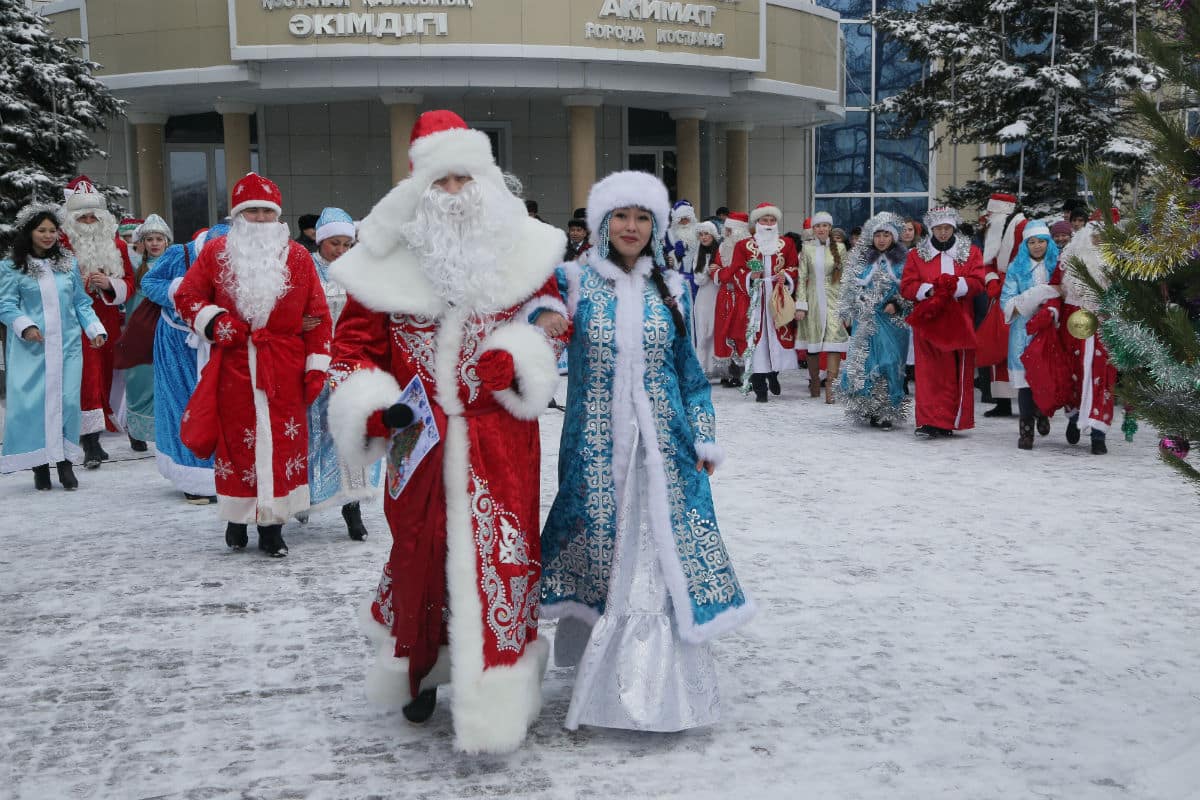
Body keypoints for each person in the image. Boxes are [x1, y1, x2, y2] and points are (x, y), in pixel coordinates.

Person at [326, 110, 569, 753]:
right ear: (418, 186)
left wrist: (516, 355)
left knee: (500, 554)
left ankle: (499, 687)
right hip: (418, 438)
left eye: (464, 179)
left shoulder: (523, 245)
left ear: (484, 181)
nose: (453, 194)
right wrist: (375, 407)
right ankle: (420, 668)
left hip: (499, 438)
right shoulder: (381, 261)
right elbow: (351, 348)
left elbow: (550, 316)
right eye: (441, 182)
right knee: (421, 553)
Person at [541, 170, 753, 733]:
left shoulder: (675, 287)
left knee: (656, 567)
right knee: (602, 554)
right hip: (594, 451)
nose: (631, 227)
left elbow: (690, 375)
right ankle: (599, 665)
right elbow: (535, 340)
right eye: (620, 216)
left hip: (666, 452)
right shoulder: (571, 281)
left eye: (641, 218)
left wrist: (704, 435)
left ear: (656, 226)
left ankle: (653, 693)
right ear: (601, 222)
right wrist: (540, 328)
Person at [174, 173, 333, 557]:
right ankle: (236, 515)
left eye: (266, 211)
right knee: (238, 444)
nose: (260, 219)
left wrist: (316, 366)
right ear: (238, 216)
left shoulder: (297, 257)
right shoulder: (215, 252)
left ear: (277, 216)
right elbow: (188, 295)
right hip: (234, 365)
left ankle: (273, 525)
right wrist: (216, 322)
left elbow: (319, 313)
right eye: (252, 211)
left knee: (283, 442)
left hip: (284, 365)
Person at [0, 204, 106, 490]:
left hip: (68, 346)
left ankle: (65, 462)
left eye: (52, 230)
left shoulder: (68, 264)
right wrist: (26, 325)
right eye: (41, 230)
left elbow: (81, 302)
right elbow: (6, 304)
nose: (48, 236)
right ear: (29, 232)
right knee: (35, 405)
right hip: (32, 349)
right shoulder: (11, 267)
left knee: (69, 402)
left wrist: (94, 328)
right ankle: (39, 465)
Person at [303, 206, 382, 539]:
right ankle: (303, 497)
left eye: (346, 244)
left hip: (351, 364)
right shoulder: (305, 269)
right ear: (321, 242)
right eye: (334, 243)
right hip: (314, 364)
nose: (340, 250)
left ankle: (353, 508)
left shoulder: (362, 273)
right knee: (312, 436)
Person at [140, 226, 227, 503]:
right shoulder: (180, 254)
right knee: (183, 405)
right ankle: (194, 478)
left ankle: (222, 472)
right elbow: (149, 283)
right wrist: (178, 289)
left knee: (219, 408)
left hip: (217, 340)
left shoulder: (245, 260)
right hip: (177, 342)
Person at [59, 179, 135, 468]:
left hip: (107, 320)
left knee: (102, 376)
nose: (89, 222)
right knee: (87, 377)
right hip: (73, 321)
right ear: (72, 218)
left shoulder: (115, 245)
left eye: (93, 216)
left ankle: (93, 434)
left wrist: (109, 283)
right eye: (82, 217)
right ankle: (90, 441)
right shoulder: (62, 243)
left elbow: (130, 283)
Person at [900, 207, 985, 438]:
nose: (944, 233)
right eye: (939, 228)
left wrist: (956, 286)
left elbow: (978, 282)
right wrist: (928, 291)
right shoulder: (917, 255)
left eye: (947, 228)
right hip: (929, 321)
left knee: (956, 372)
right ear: (931, 229)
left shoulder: (971, 252)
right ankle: (929, 420)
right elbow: (907, 286)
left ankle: (949, 420)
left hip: (960, 322)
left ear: (954, 228)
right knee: (929, 373)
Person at [836, 212, 912, 428]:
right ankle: (869, 407)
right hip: (866, 320)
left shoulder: (904, 261)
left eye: (886, 235)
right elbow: (849, 287)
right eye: (878, 234)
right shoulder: (861, 260)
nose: (881, 239)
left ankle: (887, 409)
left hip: (892, 321)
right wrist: (853, 306)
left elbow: (910, 288)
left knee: (890, 362)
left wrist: (897, 304)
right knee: (866, 363)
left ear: (894, 237)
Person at [1000, 222, 1062, 449]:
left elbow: (1065, 292)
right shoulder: (1016, 269)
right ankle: (1026, 431)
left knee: (1046, 377)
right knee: (1025, 381)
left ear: (1049, 242)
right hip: (1023, 332)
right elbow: (1006, 302)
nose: (1037, 246)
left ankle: (1042, 411)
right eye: (1032, 242)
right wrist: (1034, 297)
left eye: (1041, 241)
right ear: (1026, 244)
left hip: (1050, 330)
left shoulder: (1057, 265)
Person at [1057, 220, 1117, 454]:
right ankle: (1073, 418)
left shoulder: (1114, 262)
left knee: (1102, 375)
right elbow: (1058, 288)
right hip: (1075, 320)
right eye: (1095, 236)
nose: (1098, 241)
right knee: (1075, 372)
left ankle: (1098, 434)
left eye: (1102, 236)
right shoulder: (1071, 258)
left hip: (1104, 323)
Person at [731, 202, 800, 402]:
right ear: (757, 222)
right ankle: (759, 387)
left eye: (772, 220)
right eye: (764, 220)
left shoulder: (786, 244)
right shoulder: (743, 246)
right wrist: (750, 275)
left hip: (777, 297)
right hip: (754, 299)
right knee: (757, 342)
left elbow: (794, 266)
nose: (769, 224)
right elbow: (736, 270)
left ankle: (773, 374)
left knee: (775, 338)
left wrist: (785, 275)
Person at [120, 214, 173, 451]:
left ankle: (165, 428)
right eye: (149, 239)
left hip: (169, 331)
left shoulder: (175, 264)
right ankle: (136, 429)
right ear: (142, 243)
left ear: (167, 242)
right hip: (140, 331)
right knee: (139, 381)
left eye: (159, 239)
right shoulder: (133, 266)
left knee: (166, 380)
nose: (154, 243)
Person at [797, 211, 849, 402]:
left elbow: (846, 278)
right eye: (818, 226)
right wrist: (800, 305)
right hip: (812, 300)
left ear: (829, 228)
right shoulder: (806, 249)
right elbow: (802, 278)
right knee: (813, 342)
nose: (821, 229)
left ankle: (830, 386)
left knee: (834, 339)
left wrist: (846, 304)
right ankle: (814, 382)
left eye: (825, 226)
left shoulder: (841, 248)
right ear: (813, 229)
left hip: (834, 299)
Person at [711, 211, 751, 387]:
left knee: (740, 333)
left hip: (742, 296)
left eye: (729, 230)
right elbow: (714, 270)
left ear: (738, 230)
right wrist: (722, 273)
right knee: (723, 333)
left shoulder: (749, 248)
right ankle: (729, 372)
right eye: (726, 230)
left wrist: (724, 273)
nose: (726, 233)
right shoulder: (722, 248)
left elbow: (743, 272)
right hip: (724, 297)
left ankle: (745, 373)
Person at [691, 220, 722, 375]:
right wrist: (707, 271)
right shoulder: (698, 254)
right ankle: (702, 369)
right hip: (703, 297)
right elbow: (698, 280)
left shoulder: (721, 251)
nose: (703, 238)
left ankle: (718, 368)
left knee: (716, 331)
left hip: (718, 295)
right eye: (701, 235)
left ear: (713, 235)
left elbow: (724, 277)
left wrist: (718, 271)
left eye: (706, 234)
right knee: (703, 333)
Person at [665, 199, 700, 294]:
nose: (684, 221)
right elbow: (666, 253)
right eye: (681, 218)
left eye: (686, 218)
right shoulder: (670, 234)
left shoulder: (699, 231)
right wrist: (675, 255)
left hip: (698, 276)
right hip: (678, 276)